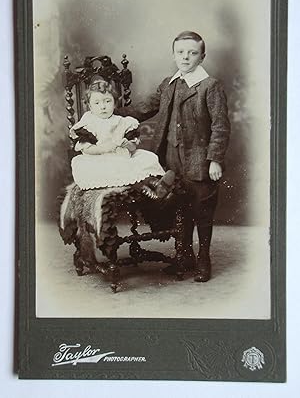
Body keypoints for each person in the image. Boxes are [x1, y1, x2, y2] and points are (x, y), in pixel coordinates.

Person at [117, 31, 230, 282]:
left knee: (202, 211)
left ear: (202, 56)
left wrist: (215, 159)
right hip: (170, 160)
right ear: (173, 55)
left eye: (192, 52)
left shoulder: (210, 86)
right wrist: (110, 114)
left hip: (199, 161)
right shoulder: (169, 83)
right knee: (181, 209)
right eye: (180, 52)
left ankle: (203, 259)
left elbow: (221, 126)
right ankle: (185, 256)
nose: (186, 57)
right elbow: (144, 108)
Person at [70, 79, 175, 194]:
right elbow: (86, 149)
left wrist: (128, 145)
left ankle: (156, 184)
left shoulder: (123, 122)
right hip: (98, 159)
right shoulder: (88, 123)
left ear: (115, 103)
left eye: (107, 101)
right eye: (97, 103)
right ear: (90, 106)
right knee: (107, 169)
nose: (103, 107)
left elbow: (133, 147)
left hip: (122, 157)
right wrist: (107, 148)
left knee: (147, 158)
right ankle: (147, 190)